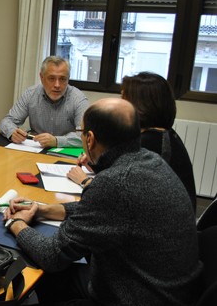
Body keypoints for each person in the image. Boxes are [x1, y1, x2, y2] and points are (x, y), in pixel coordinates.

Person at [0, 98, 201, 306]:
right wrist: (43, 209)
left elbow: (52, 255)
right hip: (160, 300)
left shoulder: (115, 184)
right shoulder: (149, 161)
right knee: (50, 282)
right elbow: (109, 215)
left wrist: (15, 224)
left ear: (90, 139)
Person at [67, 72, 196, 210]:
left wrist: (85, 181)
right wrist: (97, 165)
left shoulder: (149, 145)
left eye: (123, 99)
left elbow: (117, 196)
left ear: (140, 105)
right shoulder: (164, 135)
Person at [0, 56, 88, 148]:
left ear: (68, 79)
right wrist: (12, 132)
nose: (57, 85)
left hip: (64, 151)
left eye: (62, 79)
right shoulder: (30, 94)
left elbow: (85, 135)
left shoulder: (79, 99)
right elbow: (6, 121)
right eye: (51, 78)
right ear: (41, 77)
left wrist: (57, 141)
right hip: (35, 149)